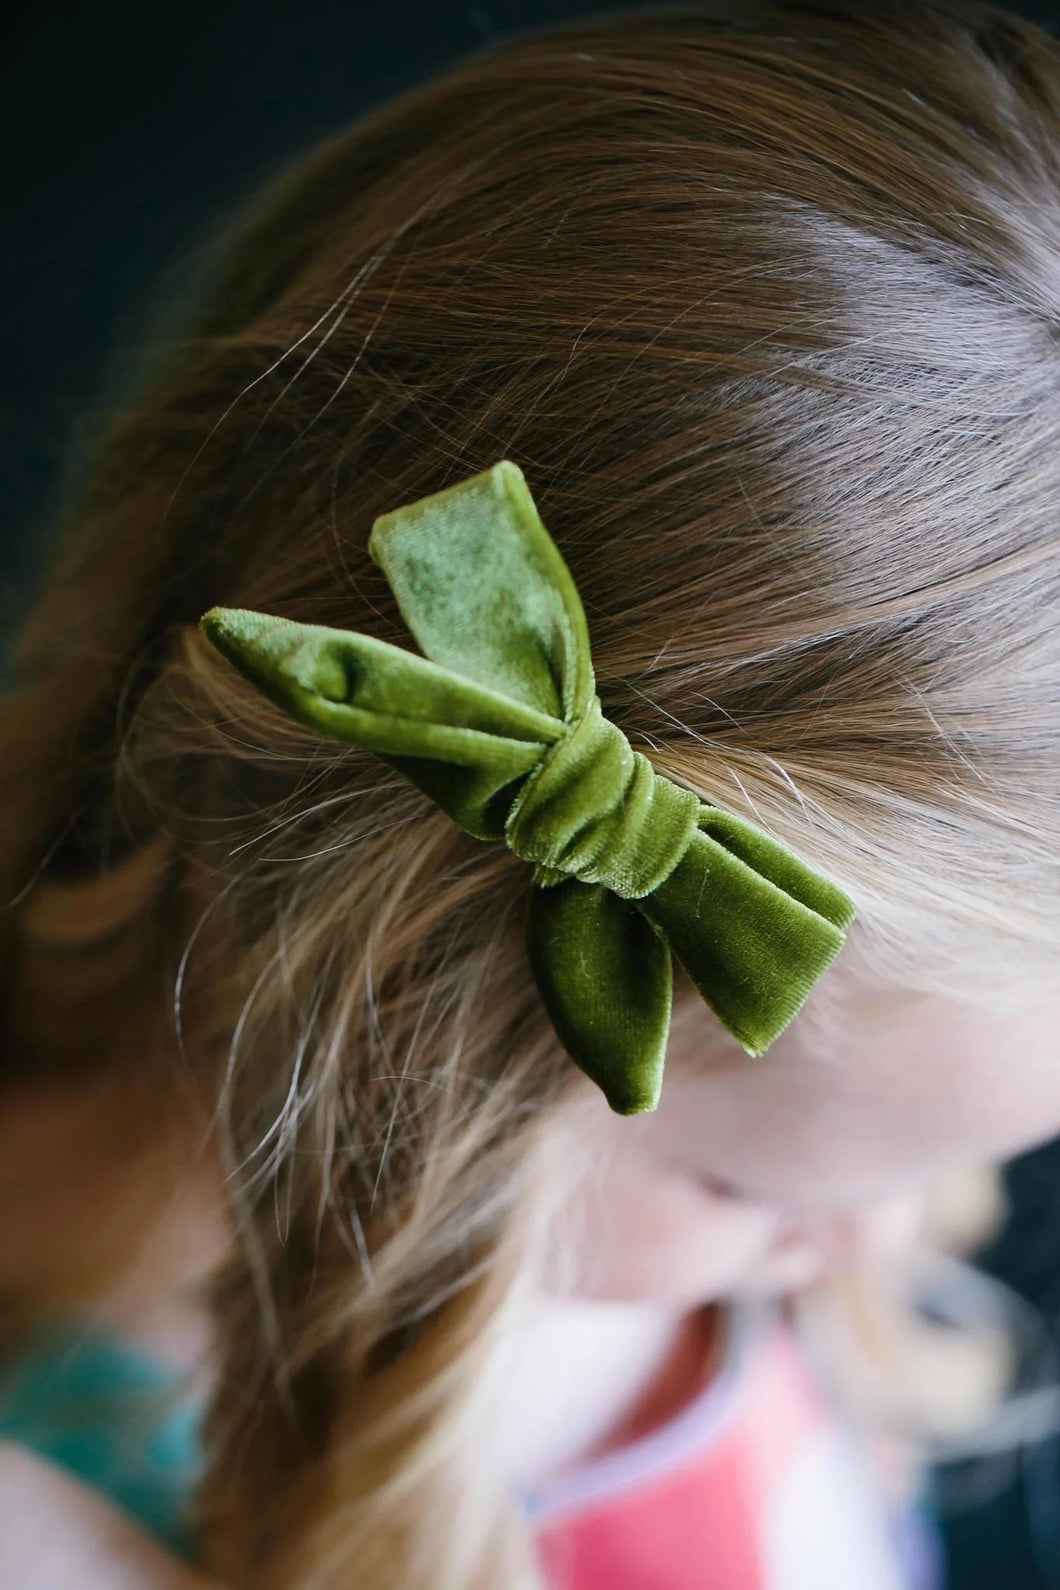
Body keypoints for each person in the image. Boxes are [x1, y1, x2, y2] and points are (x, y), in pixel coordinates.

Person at [0, 1, 1058, 1584]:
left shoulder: (777, 1249)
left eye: (938, 1166)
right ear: (389, 1015)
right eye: (747, 1184)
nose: (886, 1240)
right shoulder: (66, 1507)